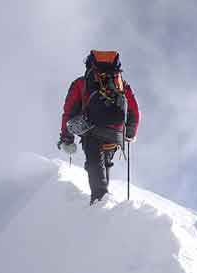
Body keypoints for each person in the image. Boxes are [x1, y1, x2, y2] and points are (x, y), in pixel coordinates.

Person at [57, 50, 140, 204]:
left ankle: (100, 200)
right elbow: (134, 111)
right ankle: (103, 199)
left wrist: (67, 137)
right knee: (105, 162)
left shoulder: (81, 83)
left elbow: (68, 112)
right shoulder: (121, 85)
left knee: (94, 163)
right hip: (115, 133)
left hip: (91, 130)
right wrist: (129, 132)